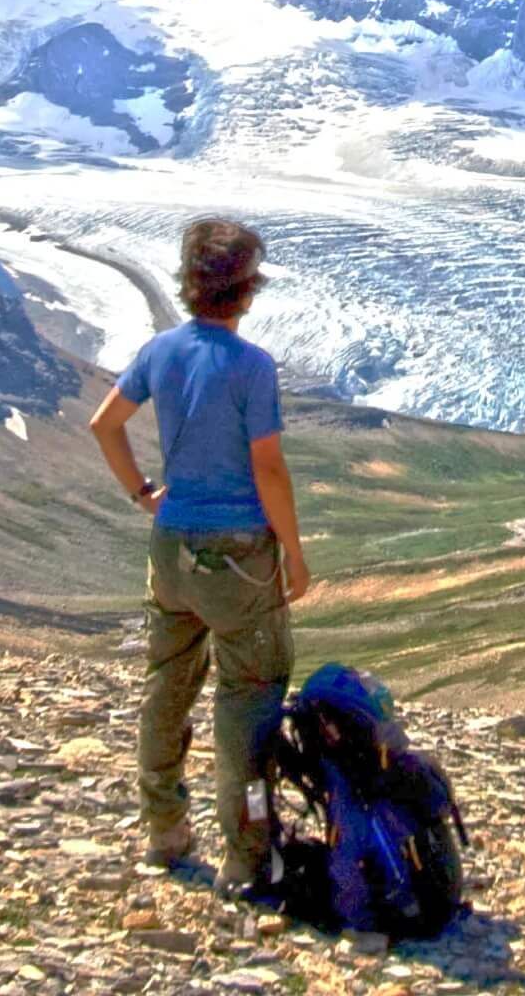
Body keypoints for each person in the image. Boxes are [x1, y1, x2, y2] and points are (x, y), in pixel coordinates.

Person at [89, 217, 313, 887]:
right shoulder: (252, 366)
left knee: (168, 687)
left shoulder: (161, 351)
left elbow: (105, 424)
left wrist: (143, 493)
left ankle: (165, 830)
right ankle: (247, 856)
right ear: (247, 289)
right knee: (249, 701)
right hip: (239, 556)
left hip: (171, 545)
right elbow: (267, 468)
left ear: (190, 284)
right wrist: (293, 552)